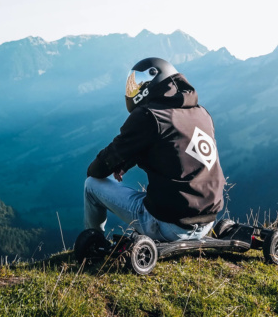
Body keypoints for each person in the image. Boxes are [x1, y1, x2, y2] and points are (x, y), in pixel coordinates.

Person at [84, 57, 225, 241]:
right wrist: (127, 162)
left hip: (169, 227)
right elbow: (171, 146)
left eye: (137, 84)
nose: (133, 90)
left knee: (91, 185)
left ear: (151, 81)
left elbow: (99, 168)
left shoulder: (148, 115)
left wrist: (110, 164)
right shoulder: (202, 113)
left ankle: (94, 241)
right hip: (207, 223)